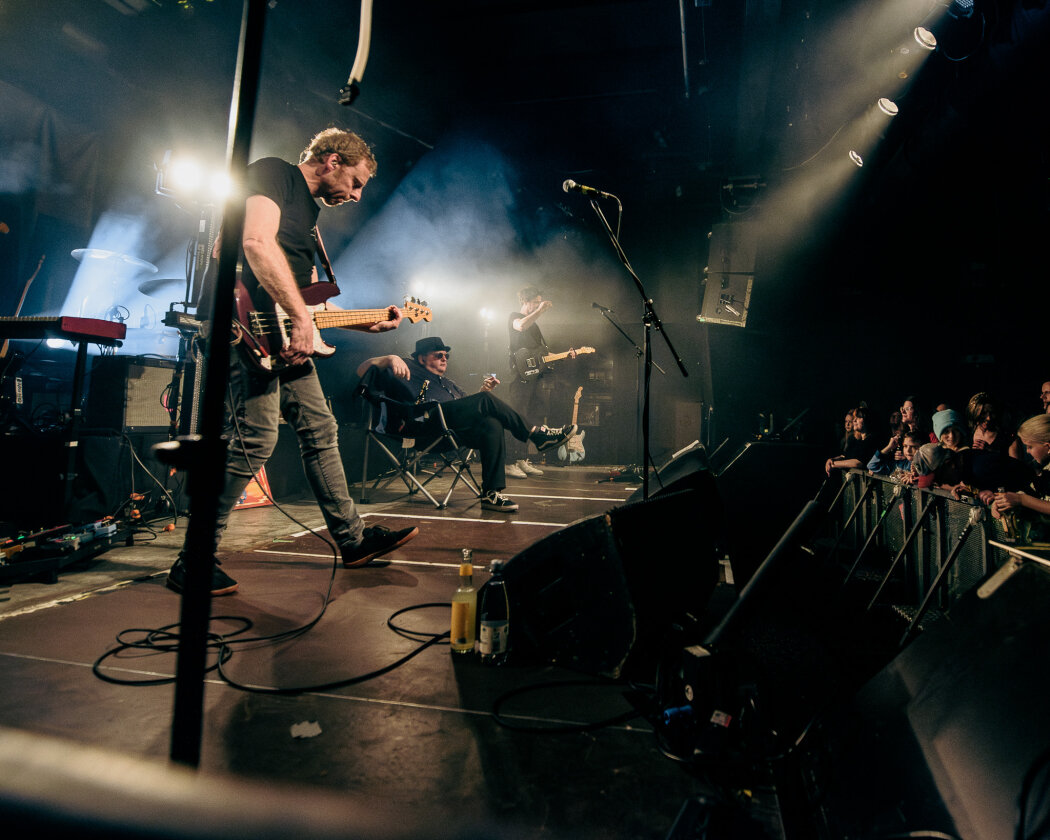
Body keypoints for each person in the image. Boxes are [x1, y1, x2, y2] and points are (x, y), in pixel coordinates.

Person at [167, 128, 418, 597]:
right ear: (331, 160)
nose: (357, 195)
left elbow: (303, 302)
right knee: (257, 437)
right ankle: (194, 557)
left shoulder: (309, 220)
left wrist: (370, 323)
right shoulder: (273, 173)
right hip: (239, 323)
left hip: (279, 332)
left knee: (321, 431)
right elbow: (255, 243)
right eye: (357, 182)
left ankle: (354, 540)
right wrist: (302, 319)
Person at [356, 336, 577, 512]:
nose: (444, 359)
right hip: (422, 427)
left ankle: (491, 493)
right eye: (439, 355)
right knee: (485, 402)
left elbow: (463, 408)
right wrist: (388, 358)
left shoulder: (448, 383)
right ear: (422, 358)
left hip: (449, 432)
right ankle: (537, 433)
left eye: (446, 356)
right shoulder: (405, 368)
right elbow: (362, 371)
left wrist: (482, 394)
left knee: (491, 423)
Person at [506, 285, 577, 478]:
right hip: (519, 377)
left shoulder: (535, 327)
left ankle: (522, 459)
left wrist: (564, 355)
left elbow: (543, 355)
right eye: (535, 302)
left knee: (533, 417)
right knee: (517, 417)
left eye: (539, 302)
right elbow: (520, 326)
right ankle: (509, 462)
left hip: (534, 377)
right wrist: (540, 310)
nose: (538, 305)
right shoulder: (515, 317)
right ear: (524, 301)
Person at [992, 414, 1050, 541]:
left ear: (1048, 446)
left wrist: (1021, 499)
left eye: (1030, 447)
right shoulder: (1037, 467)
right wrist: (1003, 501)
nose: (1027, 452)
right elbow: (1030, 491)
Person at [826, 406, 879, 476]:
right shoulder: (854, 439)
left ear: (867, 420)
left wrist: (833, 464)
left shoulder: (871, 440)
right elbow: (845, 456)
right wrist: (832, 460)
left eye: (859, 417)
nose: (854, 420)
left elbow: (858, 462)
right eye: (855, 418)